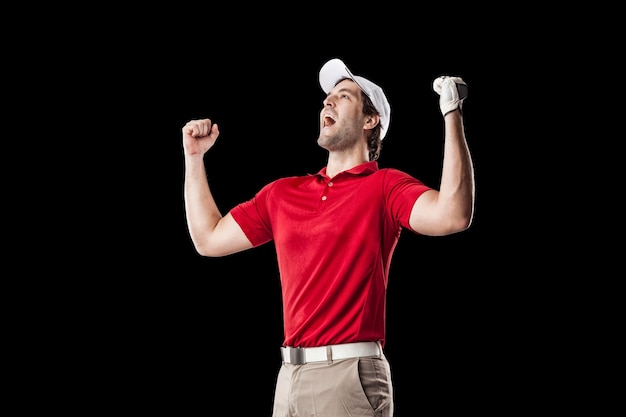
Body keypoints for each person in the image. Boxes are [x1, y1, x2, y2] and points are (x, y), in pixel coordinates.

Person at [182, 58, 475, 417]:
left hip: (348, 378)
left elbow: (453, 214)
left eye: (344, 96)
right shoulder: (283, 193)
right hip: (288, 378)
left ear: (371, 121)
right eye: (327, 97)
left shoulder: (385, 187)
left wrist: (451, 112)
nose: (327, 102)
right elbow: (208, 239)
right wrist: (194, 158)